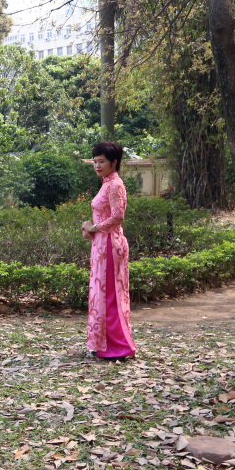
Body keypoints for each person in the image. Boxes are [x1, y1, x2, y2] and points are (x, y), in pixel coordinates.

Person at [81, 142, 138, 361]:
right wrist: (91, 229)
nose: (97, 165)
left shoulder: (115, 184)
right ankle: (102, 344)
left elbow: (117, 217)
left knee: (110, 296)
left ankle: (118, 347)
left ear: (114, 162)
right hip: (101, 244)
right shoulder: (107, 183)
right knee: (101, 296)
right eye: (95, 161)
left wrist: (94, 228)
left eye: (101, 161)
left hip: (109, 245)